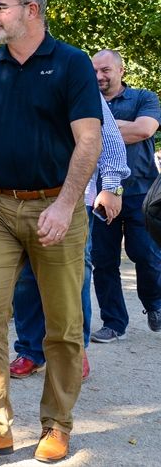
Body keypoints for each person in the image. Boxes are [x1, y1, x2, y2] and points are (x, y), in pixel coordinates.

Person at [0, 0, 102, 463]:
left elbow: (89, 140)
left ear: (31, 10)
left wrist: (64, 204)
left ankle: (57, 425)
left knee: (62, 324)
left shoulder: (71, 64)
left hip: (56, 205)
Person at [8, 93, 128, 381]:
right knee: (25, 277)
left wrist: (111, 186)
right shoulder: (5, 77)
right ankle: (30, 351)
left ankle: (74, 350)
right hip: (14, 198)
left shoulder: (72, 73)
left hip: (71, 197)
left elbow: (108, 137)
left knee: (74, 275)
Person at [89, 49, 161, 340]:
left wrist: (99, 132)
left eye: (105, 70)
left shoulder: (144, 98)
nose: (99, 77)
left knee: (145, 254)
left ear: (121, 71)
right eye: (94, 70)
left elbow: (144, 131)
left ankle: (155, 305)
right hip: (101, 193)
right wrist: (119, 128)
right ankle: (113, 323)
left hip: (141, 193)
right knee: (104, 260)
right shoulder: (84, 99)